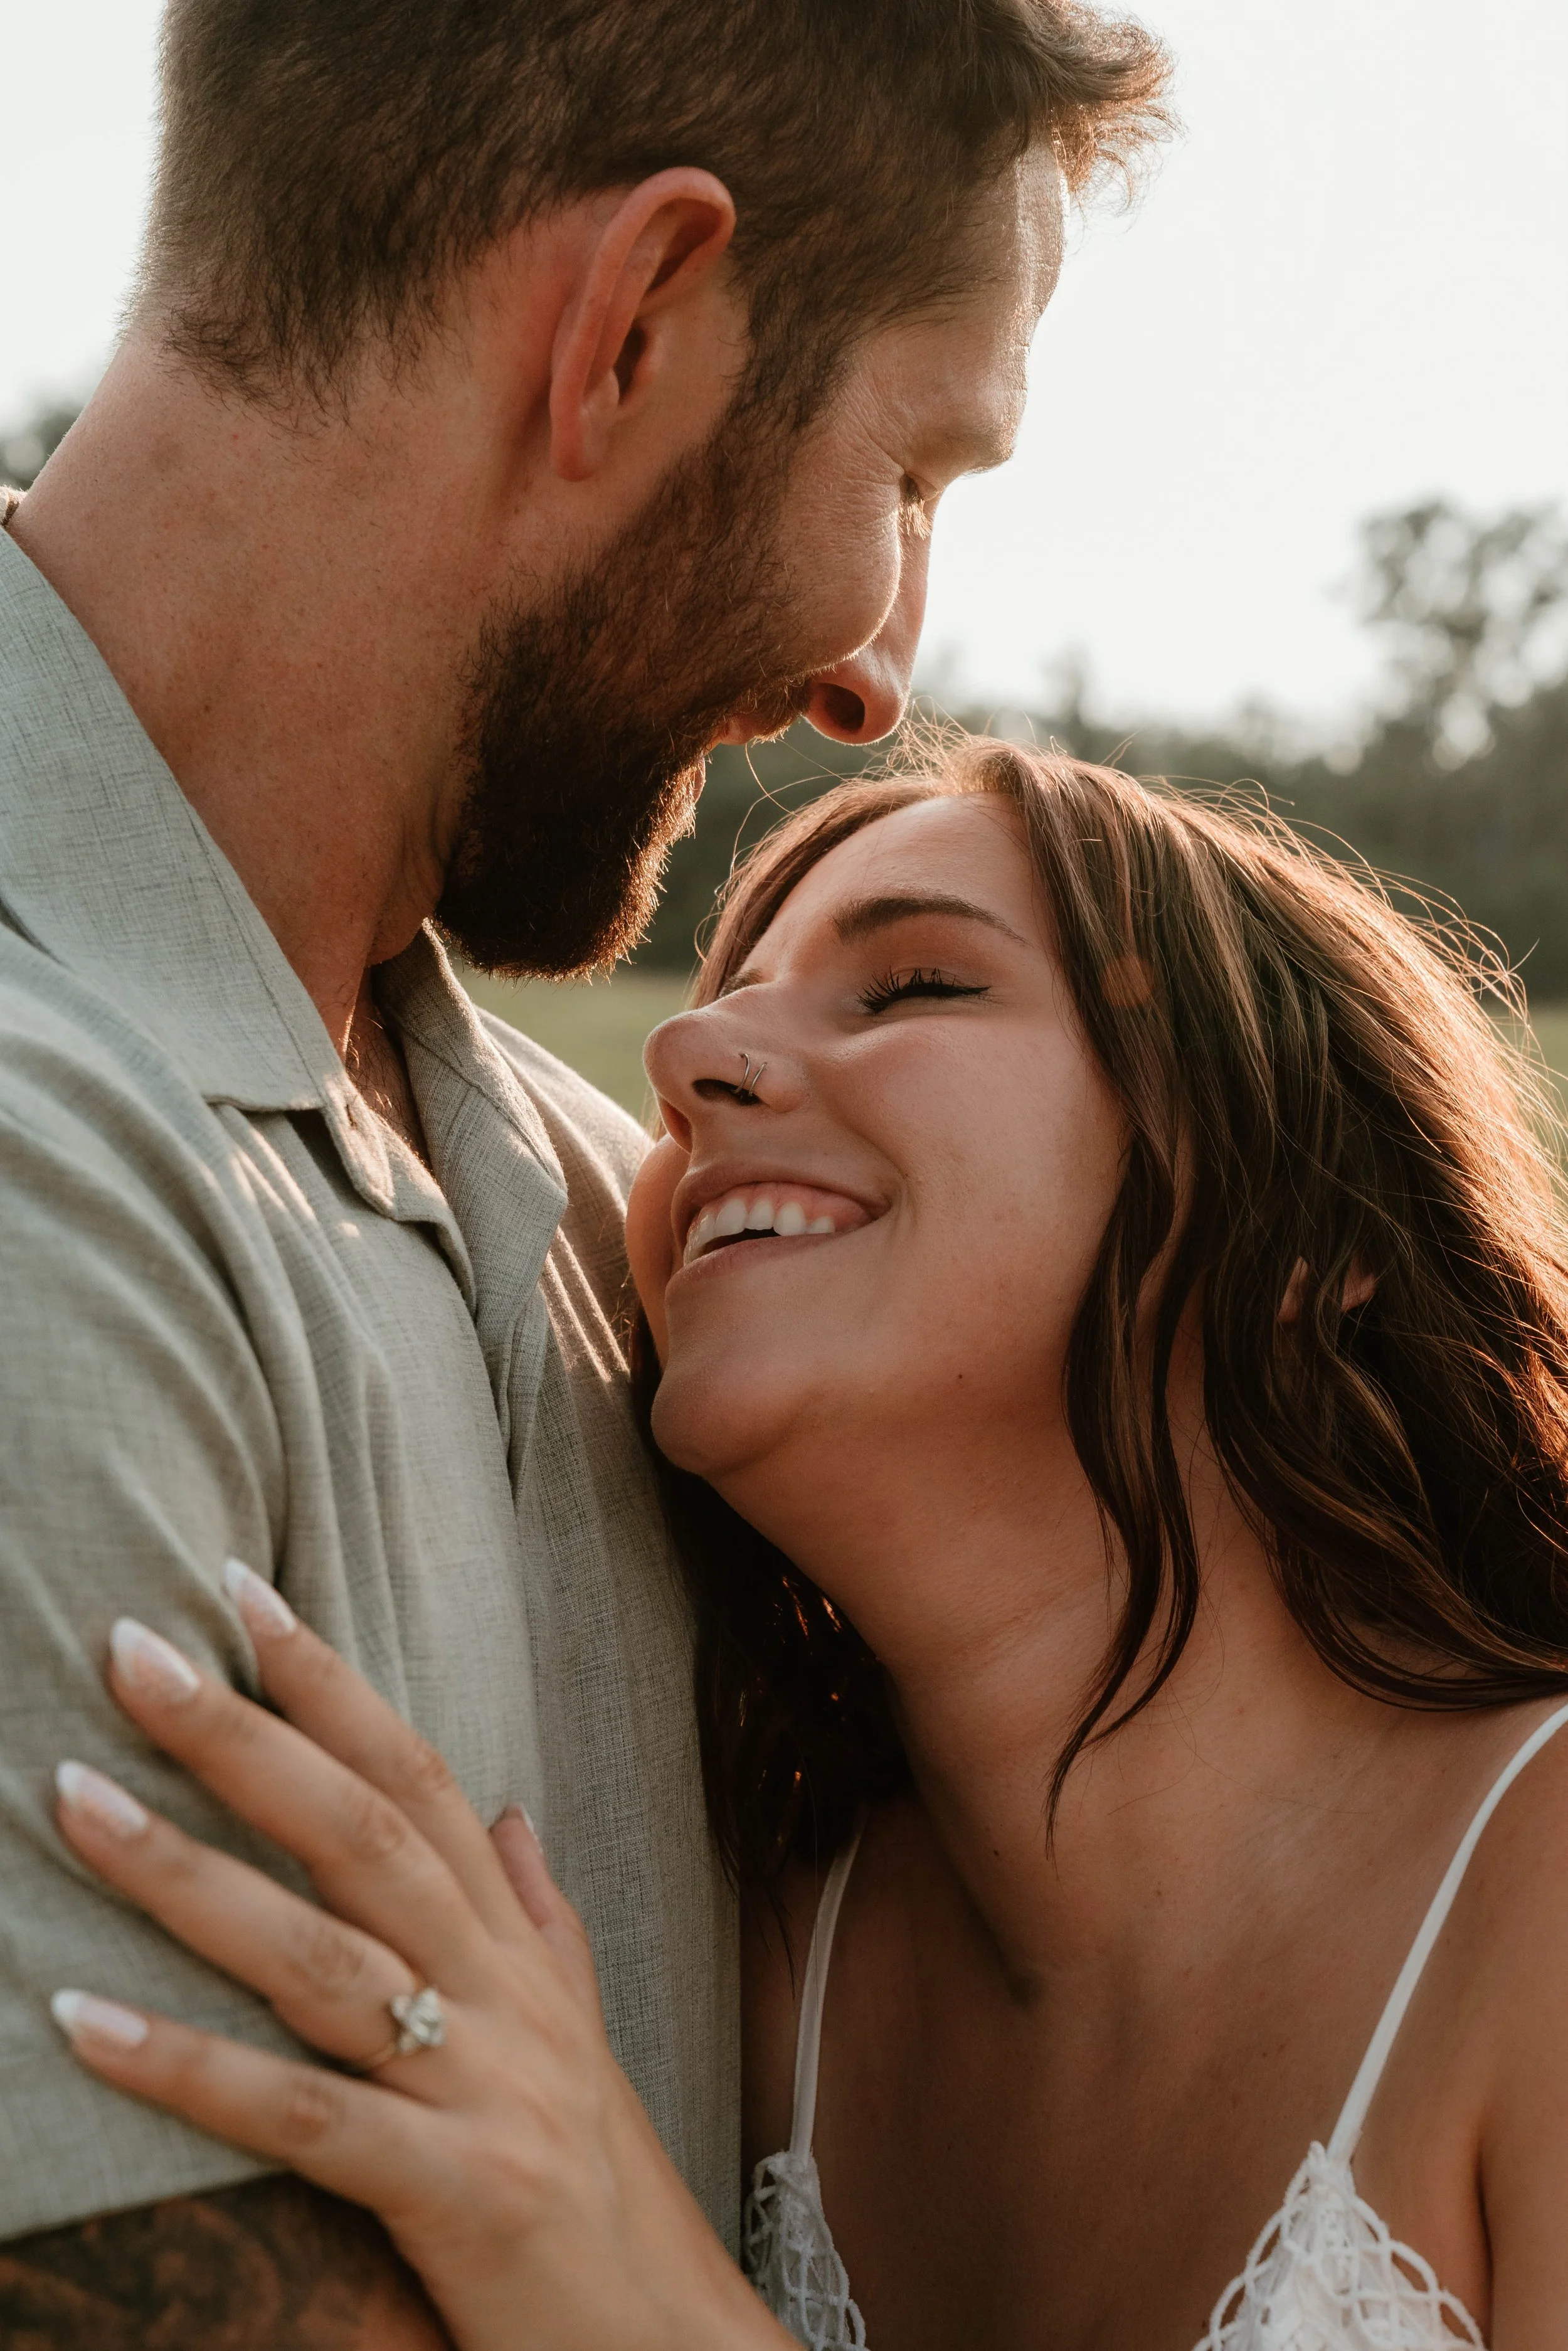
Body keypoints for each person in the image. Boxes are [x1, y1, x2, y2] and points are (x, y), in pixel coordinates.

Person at [0, 3, 1173, 2340]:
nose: (881, 667)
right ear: (630, 326)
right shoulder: (45, 1190)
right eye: (916, 472)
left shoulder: (620, 1217)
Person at [38, 740, 1568, 2349]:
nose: (690, 1047)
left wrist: (634, 2288)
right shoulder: (756, 1974)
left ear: (1304, 1225)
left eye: (911, 984)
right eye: (718, 1001)